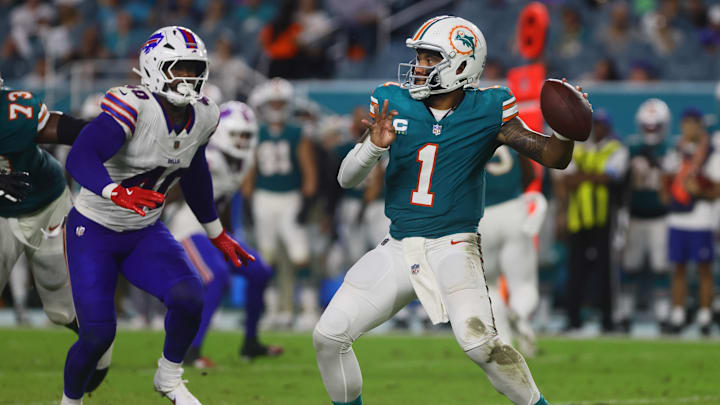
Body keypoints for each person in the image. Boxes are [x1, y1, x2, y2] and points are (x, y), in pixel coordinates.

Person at [313, 15, 587, 405]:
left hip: (454, 246)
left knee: (480, 345)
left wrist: (565, 130)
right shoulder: (394, 102)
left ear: (461, 64)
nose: (419, 66)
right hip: (398, 246)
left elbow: (552, 157)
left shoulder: (488, 108)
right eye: (420, 57)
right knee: (329, 336)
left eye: (429, 58)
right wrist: (374, 147)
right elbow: (346, 179)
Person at [60, 26, 254, 405]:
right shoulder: (133, 106)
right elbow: (81, 154)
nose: (189, 77)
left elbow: (195, 173)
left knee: (189, 296)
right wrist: (115, 191)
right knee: (98, 335)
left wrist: (217, 233)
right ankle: (70, 402)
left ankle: (169, 377)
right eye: (179, 68)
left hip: (144, 230)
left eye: (194, 68)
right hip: (93, 230)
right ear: (154, 67)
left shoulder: (204, 115)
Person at [0, 73, 111, 394]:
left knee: (60, 305)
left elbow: (60, 129)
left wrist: (108, 132)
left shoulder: (12, 112)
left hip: (46, 203)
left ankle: (99, 347)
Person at [168, 100, 282, 366]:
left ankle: (250, 343)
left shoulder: (241, 162)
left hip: (213, 230)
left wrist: (227, 236)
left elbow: (224, 201)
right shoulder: (209, 158)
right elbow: (173, 191)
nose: (242, 141)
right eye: (236, 135)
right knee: (218, 277)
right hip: (186, 228)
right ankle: (190, 350)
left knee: (259, 271)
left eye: (246, 135)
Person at [245, 77, 319, 331]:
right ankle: (273, 310)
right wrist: (247, 199)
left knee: (300, 255)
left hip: (290, 197)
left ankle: (308, 310)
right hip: (264, 197)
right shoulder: (256, 132)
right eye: (273, 103)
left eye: (280, 103)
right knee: (267, 257)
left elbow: (309, 172)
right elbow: (250, 171)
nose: (276, 107)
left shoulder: (297, 132)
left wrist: (306, 201)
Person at [556, 110, 628, 333]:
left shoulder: (616, 149)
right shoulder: (578, 148)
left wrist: (582, 177)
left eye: (600, 125)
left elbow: (611, 176)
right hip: (578, 218)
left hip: (603, 218)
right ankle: (573, 318)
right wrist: (593, 176)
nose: (597, 129)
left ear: (607, 128)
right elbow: (566, 180)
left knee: (605, 271)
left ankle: (607, 319)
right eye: (594, 125)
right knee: (575, 270)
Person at [478, 145, 546, 357]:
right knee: (523, 284)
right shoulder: (510, 128)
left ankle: (504, 340)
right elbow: (530, 174)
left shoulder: (466, 127)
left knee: (488, 285)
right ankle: (520, 314)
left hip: (480, 216)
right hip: (513, 210)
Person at [661, 108, 720, 336]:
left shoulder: (711, 152)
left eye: (693, 123)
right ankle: (678, 314)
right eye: (686, 123)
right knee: (678, 268)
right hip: (677, 217)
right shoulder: (675, 150)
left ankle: (704, 316)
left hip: (701, 218)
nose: (689, 127)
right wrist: (666, 196)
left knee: (704, 269)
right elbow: (665, 178)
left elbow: (717, 188)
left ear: (700, 126)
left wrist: (700, 191)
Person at [617, 98, 672, 333]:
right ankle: (625, 315)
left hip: (661, 216)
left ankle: (664, 316)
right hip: (635, 215)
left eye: (655, 126)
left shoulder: (671, 149)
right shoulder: (630, 148)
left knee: (662, 267)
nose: (650, 131)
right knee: (629, 266)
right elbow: (615, 175)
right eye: (647, 126)